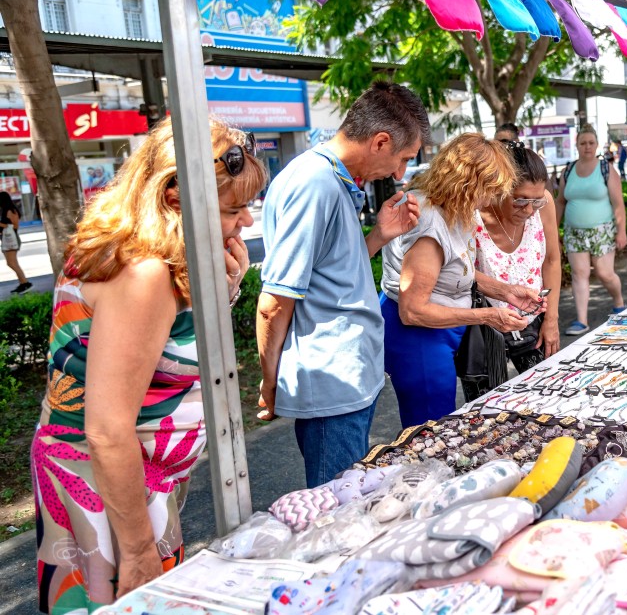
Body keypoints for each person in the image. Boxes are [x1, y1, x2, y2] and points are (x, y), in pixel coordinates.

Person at [32, 117, 263, 612]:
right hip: (108, 499)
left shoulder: (147, 255)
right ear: (177, 199)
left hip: (120, 488)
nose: (246, 221)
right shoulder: (146, 274)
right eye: (235, 208)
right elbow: (108, 430)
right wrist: (136, 553)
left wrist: (225, 290)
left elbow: (165, 351)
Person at [257, 82, 426, 488]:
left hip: (348, 376)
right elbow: (274, 301)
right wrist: (269, 382)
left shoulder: (332, 178)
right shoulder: (315, 183)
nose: (399, 174)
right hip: (333, 381)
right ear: (380, 141)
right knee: (337, 508)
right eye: (402, 160)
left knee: (346, 497)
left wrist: (379, 236)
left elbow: (330, 272)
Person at [381, 133, 544, 427]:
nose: (493, 198)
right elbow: (413, 310)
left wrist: (507, 291)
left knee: (440, 420)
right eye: (490, 189)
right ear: (468, 183)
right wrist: (488, 315)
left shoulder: (457, 208)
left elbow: (457, 269)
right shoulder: (429, 222)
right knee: (430, 428)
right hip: (418, 336)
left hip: (440, 329)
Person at [463, 141, 561, 401]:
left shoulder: (544, 204)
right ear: (498, 187)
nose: (529, 210)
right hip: (484, 327)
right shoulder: (471, 212)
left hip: (533, 321)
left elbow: (552, 261)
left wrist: (551, 319)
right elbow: (457, 270)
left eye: (536, 201)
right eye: (520, 200)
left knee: (548, 398)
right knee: (488, 409)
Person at [556, 124, 627, 336]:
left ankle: (619, 302)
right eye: (583, 143)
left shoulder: (606, 169)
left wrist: (621, 231)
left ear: (596, 145)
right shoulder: (568, 171)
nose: (587, 147)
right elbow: (560, 202)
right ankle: (582, 320)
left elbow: (618, 203)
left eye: (591, 143)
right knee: (579, 274)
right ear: (576, 145)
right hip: (574, 231)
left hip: (602, 230)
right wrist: (554, 231)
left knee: (605, 273)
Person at [0, 190, 30, 293]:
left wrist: (1, 225)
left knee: (12, 263)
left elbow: (15, 225)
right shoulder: (5, 210)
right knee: (12, 263)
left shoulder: (10, 211)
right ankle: (22, 283)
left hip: (12, 240)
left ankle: (25, 283)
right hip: (7, 239)